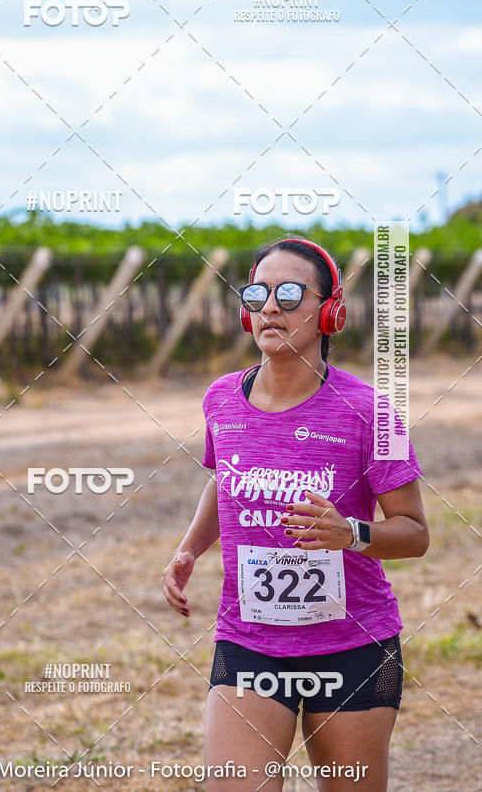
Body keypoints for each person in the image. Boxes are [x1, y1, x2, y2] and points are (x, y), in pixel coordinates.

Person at [162, 237, 429, 791]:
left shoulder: (372, 413)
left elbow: (415, 533)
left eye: (290, 293)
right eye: (258, 292)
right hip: (249, 643)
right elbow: (224, 481)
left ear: (329, 312)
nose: (271, 307)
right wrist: (190, 548)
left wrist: (349, 533)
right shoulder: (221, 399)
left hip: (355, 645)